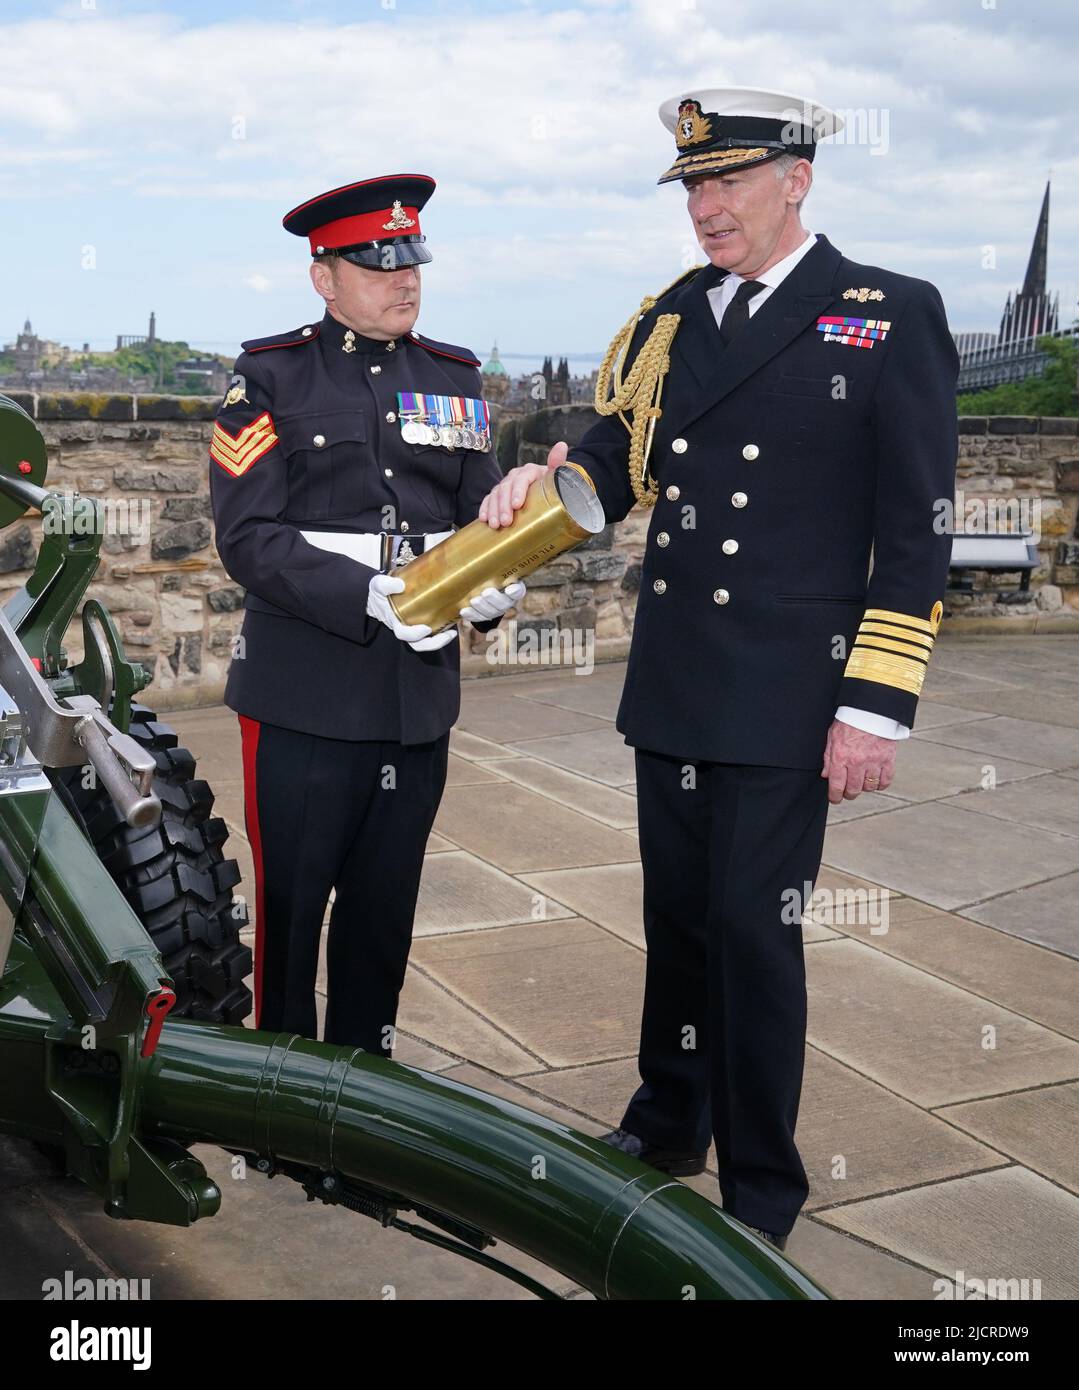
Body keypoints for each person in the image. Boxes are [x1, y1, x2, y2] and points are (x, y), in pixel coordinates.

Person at [478, 89, 959, 1250]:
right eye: (692, 188)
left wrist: (874, 707)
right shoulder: (675, 317)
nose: (705, 208)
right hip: (682, 674)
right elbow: (618, 456)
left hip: (795, 687)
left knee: (753, 927)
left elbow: (916, 529)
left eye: (728, 182)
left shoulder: (886, 313)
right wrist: (537, 487)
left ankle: (758, 1188)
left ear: (795, 179)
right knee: (681, 919)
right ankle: (663, 1123)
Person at [208, 173, 524, 1053]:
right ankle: (280, 1092)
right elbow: (249, 538)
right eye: (378, 264)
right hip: (307, 690)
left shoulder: (454, 379)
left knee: (384, 913)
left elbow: (481, 514)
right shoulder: (268, 377)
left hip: (414, 695)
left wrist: (495, 585)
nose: (405, 280)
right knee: (291, 912)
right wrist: (368, 591)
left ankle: (362, 1081)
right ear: (324, 277)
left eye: (412, 260)